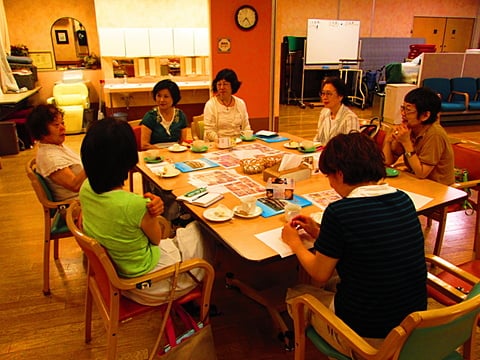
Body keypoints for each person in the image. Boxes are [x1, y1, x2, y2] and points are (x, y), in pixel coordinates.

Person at [282, 132, 427, 355]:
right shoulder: (403, 199)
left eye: (329, 176)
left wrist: (295, 243)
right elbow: (364, 245)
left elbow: (319, 273)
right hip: (414, 325)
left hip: (367, 338)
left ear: (339, 174)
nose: (330, 184)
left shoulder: (340, 212)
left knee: (296, 293)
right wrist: (320, 233)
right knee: (337, 281)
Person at [79, 118, 211, 306]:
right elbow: (156, 238)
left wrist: (148, 214)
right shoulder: (134, 205)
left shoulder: (85, 188)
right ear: (127, 158)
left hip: (120, 273)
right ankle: (202, 298)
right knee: (202, 230)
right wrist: (152, 214)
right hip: (148, 285)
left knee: (186, 234)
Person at [383, 87, 454, 185]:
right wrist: (388, 141)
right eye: (403, 108)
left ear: (425, 115)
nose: (403, 114)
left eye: (408, 110)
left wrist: (406, 143)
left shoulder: (435, 134)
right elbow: (388, 162)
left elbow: (422, 173)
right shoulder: (410, 128)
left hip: (437, 187)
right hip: (416, 181)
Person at [26, 104, 86, 201]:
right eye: (56, 125)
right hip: (76, 206)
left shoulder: (56, 146)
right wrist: (93, 162)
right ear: (42, 131)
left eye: (62, 123)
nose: (63, 128)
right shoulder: (50, 158)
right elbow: (75, 186)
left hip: (87, 196)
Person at [203, 68, 251, 141]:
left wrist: (246, 138)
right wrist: (223, 141)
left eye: (225, 84)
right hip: (218, 144)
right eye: (219, 84)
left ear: (233, 86)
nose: (222, 88)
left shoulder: (240, 103)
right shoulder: (211, 105)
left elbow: (246, 127)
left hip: (239, 143)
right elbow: (209, 131)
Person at [140, 79, 188, 149]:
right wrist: (164, 151)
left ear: (174, 98)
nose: (161, 100)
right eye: (159, 96)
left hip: (176, 153)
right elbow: (144, 145)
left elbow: (182, 142)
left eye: (166, 96)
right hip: (156, 155)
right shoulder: (150, 117)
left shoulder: (180, 115)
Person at [313, 76, 359, 145]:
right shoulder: (324, 113)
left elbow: (352, 147)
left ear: (340, 96)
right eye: (323, 93)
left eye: (328, 94)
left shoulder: (350, 118)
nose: (325, 97)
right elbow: (318, 139)